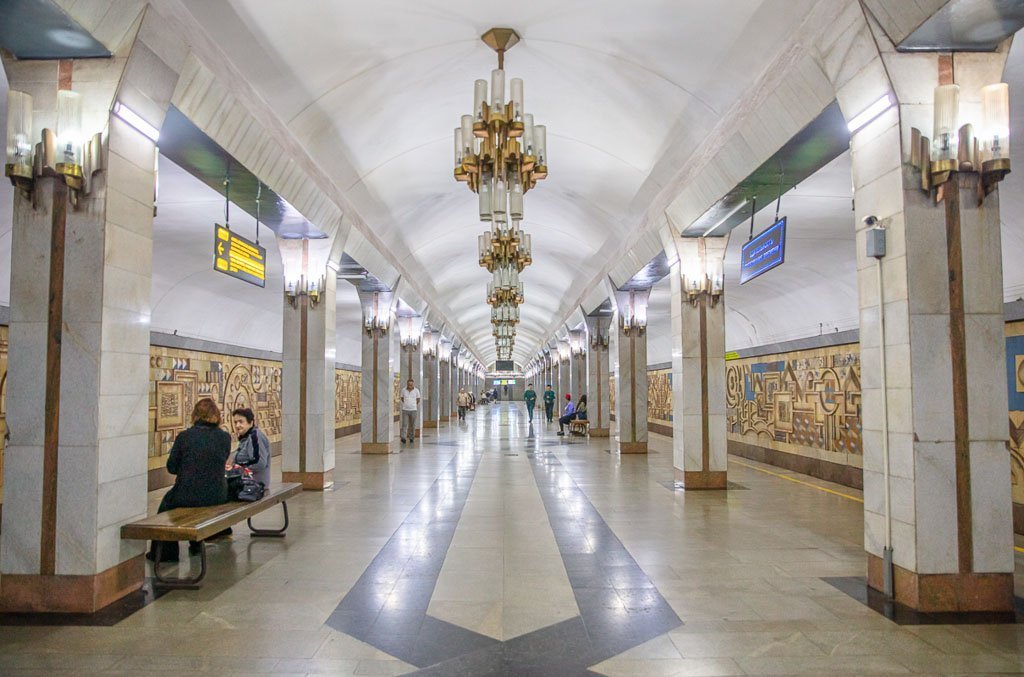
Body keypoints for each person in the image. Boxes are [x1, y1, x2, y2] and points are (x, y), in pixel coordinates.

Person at [148, 398, 232, 562]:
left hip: (187, 495)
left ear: (195, 415)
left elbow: (172, 467)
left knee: (166, 507)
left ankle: (166, 554)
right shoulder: (224, 437)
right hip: (217, 495)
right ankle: (195, 545)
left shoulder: (185, 437)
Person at [231, 407, 271, 490]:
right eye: (235, 422)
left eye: (241, 421)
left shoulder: (255, 437)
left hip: (254, 485)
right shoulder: (246, 438)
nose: (237, 425)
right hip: (249, 483)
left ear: (251, 422)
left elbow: (260, 463)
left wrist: (239, 469)